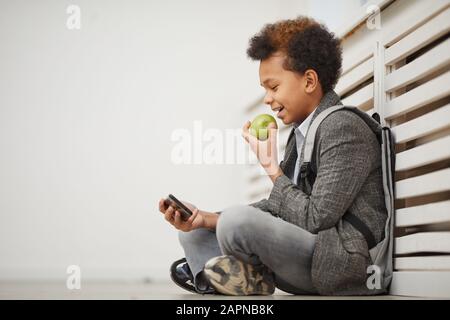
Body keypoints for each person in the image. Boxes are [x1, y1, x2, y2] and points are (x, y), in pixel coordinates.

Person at [158, 15, 387, 296]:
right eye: (265, 89)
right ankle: (240, 278)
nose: (267, 98)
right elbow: (281, 208)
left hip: (339, 262)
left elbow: (316, 219)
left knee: (236, 221)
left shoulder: (343, 127)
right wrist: (204, 219)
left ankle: (225, 275)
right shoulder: (302, 133)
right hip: (305, 255)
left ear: (309, 81)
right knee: (192, 234)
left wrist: (271, 168)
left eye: (274, 87)